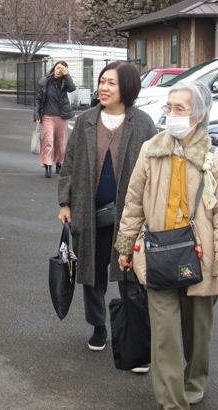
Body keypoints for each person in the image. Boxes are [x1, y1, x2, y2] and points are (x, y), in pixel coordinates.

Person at [115, 80, 218, 409]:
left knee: (198, 331)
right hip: (157, 252)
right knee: (165, 335)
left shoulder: (216, 160)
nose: (171, 114)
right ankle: (172, 402)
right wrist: (126, 246)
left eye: (179, 108)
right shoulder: (150, 150)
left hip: (200, 256)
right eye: (168, 107)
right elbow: (133, 202)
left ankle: (194, 381)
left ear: (197, 115)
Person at [57, 62, 157, 371]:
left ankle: (134, 339)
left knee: (132, 276)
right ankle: (98, 326)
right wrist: (65, 202)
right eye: (102, 82)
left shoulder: (143, 124)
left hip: (131, 216)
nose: (104, 87)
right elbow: (70, 163)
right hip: (90, 211)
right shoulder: (87, 120)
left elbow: (155, 169)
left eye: (111, 83)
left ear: (127, 87)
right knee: (92, 272)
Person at [34, 60, 76, 178]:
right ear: (54, 68)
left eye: (62, 69)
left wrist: (66, 75)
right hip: (47, 116)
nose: (59, 71)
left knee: (61, 143)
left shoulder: (65, 82)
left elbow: (72, 88)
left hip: (62, 117)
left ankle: (59, 163)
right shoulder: (45, 81)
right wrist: (37, 115)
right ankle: (47, 165)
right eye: (57, 68)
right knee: (48, 140)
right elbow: (38, 100)